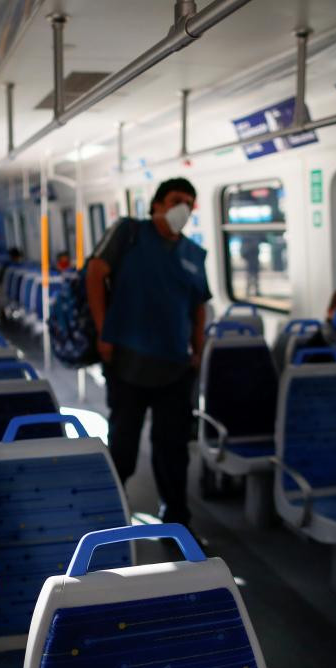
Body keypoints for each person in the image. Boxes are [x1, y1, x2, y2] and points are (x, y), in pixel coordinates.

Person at [85, 178, 209, 527]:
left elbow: (199, 305)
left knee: (173, 450)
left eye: (189, 201)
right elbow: (95, 272)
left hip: (174, 365)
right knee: (123, 443)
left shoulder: (193, 254)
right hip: (128, 359)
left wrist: (197, 350)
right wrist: (102, 330)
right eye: (175, 200)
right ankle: (111, 512)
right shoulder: (129, 233)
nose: (182, 207)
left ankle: (176, 518)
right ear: (157, 204)